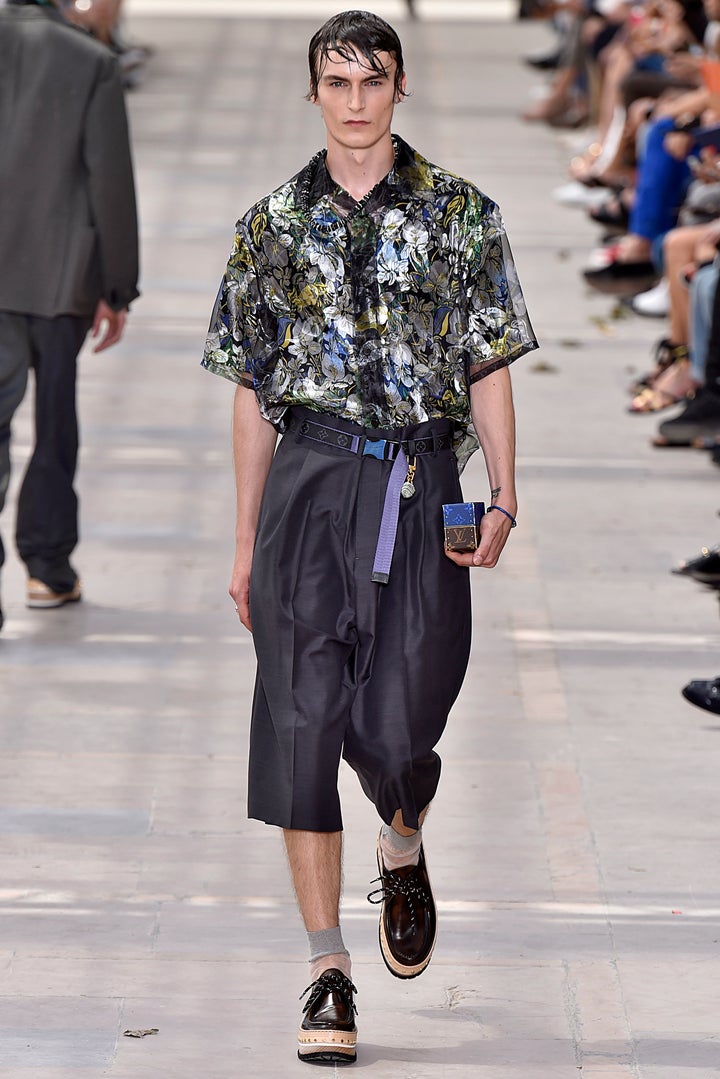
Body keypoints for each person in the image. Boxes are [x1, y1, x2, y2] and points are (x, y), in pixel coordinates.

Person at [202, 9, 537, 1066]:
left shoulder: (461, 216)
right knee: (302, 729)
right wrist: (247, 540)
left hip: (420, 482)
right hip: (307, 484)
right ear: (314, 94)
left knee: (403, 719)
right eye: (337, 83)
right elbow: (254, 393)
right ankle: (326, 972)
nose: (355, 101)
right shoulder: (270, 227)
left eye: (372, 81)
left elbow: (487, 362)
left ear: (401, 89)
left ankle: (401, 832)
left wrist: (504, 495)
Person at [0, 0, 139, 629]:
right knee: (55, 422)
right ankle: (46, 567)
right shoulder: (89, 61)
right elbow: (108, 176)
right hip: (60, 273)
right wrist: (118, 284)